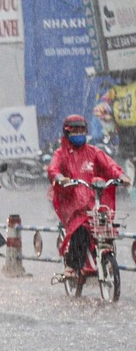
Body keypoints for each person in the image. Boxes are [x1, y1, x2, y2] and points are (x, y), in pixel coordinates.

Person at [47, 114, 130, 277]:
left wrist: (121, 176)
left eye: (81, 130)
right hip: (71, 202)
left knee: (105, 226)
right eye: (75, 131)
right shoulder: (61, 153)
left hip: (93, 200)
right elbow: (53, 169)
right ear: (66, 132)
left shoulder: (94, 152)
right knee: (81, 228)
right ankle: (72, 265)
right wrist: (60, 179)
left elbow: (110, 165)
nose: (79, 134)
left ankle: (101, 256)